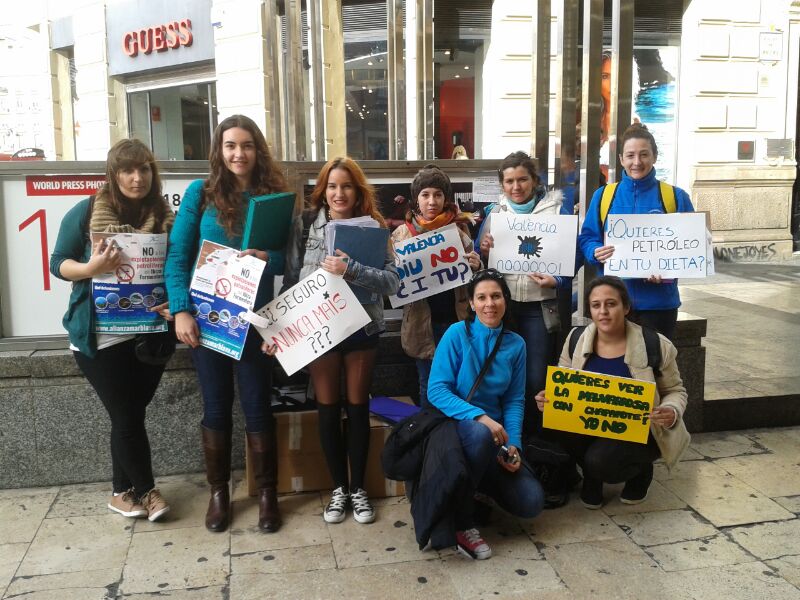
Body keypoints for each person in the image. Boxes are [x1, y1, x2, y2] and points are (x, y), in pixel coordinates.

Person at [163, 114, 287, 533]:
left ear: (258, 149)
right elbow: (178, 256)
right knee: (215, 406)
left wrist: (268, 259)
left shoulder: (273, 195)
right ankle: (219, 492)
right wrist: (180, 309)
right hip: (209, 319)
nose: (239, 153)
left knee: (256, 406)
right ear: (219, 149)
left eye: (247, 145)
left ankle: (267, 492)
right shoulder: (200, 193)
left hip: (253, 321)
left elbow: (289, 258)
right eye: (231, 145)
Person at [270, 157, 400, 525]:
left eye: (346, 186)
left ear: (357, 191)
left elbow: (392, 282)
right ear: (322, 191)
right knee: (327, 407)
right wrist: (281, 330)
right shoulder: (307, 225)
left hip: (361, 327)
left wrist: (352, 269)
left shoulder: (374, 228)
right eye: (331, 186)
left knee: (357, 406)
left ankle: (358, 488)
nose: (338, 193)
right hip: (319, 328)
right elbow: (293, 279)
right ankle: (338, 489)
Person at [50, 138, 174, 521]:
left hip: (150, 331)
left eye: (143, 169)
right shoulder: (87, 210)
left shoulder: (165, 215)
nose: (136, 178)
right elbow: (59, 263)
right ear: (113, 173)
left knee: (130, 414)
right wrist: (90, 269)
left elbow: (177, 266)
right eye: (127, 170)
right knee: (126, 415)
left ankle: (121, 493)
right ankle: (148, 491)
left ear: (153, 173)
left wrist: (175, 299)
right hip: (100, 334)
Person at [535, 275, 690, 508]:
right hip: (592, 426)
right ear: (590, 310)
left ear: (626, 307)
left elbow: (676, 390)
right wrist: (550, 397)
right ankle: (592, 476)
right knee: (550, 423)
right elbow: (564, 380)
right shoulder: (576, 339)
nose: (603, 311)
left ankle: (639, 472)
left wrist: (671, 410)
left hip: (641, 432)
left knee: (601, 462)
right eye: (596, 305)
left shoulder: (654, 344)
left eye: (611, 304)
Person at [427, 269, 545, 560]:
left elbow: (515, 399)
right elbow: (437, 391)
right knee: (480, 433)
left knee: (532, 503)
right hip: (458, 431)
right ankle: (461, 521)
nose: (489, 304)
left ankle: (478, 487)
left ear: (506, 300)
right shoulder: (456, 334)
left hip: (496, 437)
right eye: (481, 297)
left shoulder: (516, 344)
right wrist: (480, 416)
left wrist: (514, 443)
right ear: (471, 303)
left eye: (496, 296)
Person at [578, 123, 694, 340]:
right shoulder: (604, 196)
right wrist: (595, 251)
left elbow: (691, 247)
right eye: (630, 156)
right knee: (616, 370)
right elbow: (587, 237)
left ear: (655, 157)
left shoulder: (676, 197)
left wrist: (667, 270)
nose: (637, 162)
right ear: (621, 159)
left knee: (655, 368)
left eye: (644, 155)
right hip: (613, 304)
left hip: (658, 305)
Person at [476, 151, 567, 410]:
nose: (516, 187)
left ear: (535, 180)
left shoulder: (557, 210)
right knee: (502, 373)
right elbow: (479, 260)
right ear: (502, 184)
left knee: (537, 376)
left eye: (522, 179)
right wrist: (484, 249)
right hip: (503, 307)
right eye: (509, 181)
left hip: (540, 306)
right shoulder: (495, 213)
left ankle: (535, 439)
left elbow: (575, 253)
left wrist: (557, 279)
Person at [391, 164, 481, 405]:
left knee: (460, 384)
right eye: (425, 195)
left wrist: (476, 266)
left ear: (446, 198)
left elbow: (473, 283)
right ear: (416, 199)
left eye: (438, 195)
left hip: (456, 320)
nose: (432, 201)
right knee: (428, 384)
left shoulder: (460, 228)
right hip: (422, 325)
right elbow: (392, 282)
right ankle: (430, 438)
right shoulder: (401, 235)